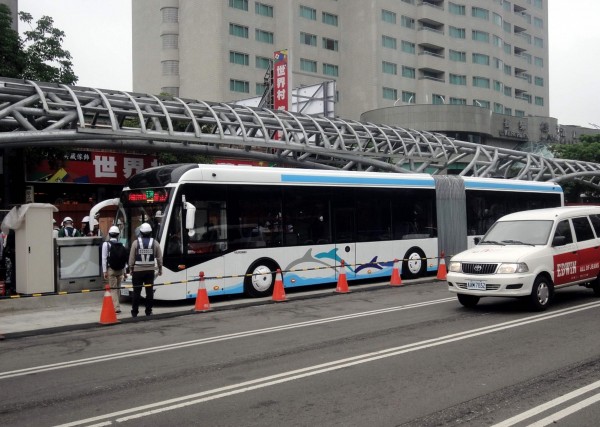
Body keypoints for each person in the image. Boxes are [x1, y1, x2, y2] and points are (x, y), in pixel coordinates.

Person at [128, 222, 163, 317]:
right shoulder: (155, 243)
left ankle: (134, 312)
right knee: (149, 291)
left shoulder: (135, 243)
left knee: (136, 292)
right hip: (150, 272)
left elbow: (131, 258)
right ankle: (148, 311)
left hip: (137, 272)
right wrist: (160, 269)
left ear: (141, 232)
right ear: (150, 232)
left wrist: (131, 269)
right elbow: (159, 257)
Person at [101, 225, 128, 314]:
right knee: (118, 288)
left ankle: (116, 308)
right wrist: (124, 271)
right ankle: (117, 304)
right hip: (120, 269)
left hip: (111, 269)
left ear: (109, 234)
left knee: (113, 289)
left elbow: (104, 258)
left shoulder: (106, 244)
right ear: (118, 235)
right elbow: (124, 259)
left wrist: (104, 271)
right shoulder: (122, 244)